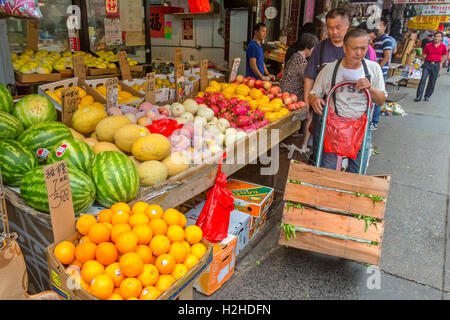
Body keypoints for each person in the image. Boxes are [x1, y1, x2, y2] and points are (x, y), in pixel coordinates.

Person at [308, 28, 387, 174]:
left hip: (361, 128)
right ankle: (328, 194)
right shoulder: (330, 69)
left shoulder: (373, 69)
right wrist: (314, 100)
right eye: (354, 48)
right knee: (327, 170)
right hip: (333, 128)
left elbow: (381, 100)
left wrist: (370, 88)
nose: (359, 53)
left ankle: (349, 196)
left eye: (363, 48)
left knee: (357, 173)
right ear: (344, 48)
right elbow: (313, 93)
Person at [304, 8, 350, 163]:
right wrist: (307, 102)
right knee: (320, 146)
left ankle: (335, 178)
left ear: (347, 25)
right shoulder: (320, 48)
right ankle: (318, 174)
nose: (334, 32)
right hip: (322, 108)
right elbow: (310, 76)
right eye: (330, 28)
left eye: (338, 27)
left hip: (347, 111)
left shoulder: (355, 49)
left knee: (343, 149)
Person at [280, 33, 319, 153]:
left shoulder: (295, 56)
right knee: (310, 112)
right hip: (293, 95)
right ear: (308, 47)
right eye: (314, 49)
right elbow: (309, 80)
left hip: (287, 92)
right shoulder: (301, 62)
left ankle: (295, 137)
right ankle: (304, 145)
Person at [371, 17, 392, 130]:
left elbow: (387, 56)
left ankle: (374, 122)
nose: (377, 27)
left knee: (378, 95)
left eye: (379, 25)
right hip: (375, 71)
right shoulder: (376, 40)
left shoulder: (386, 39)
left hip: (380, 72)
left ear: (384, 27)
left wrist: (378, 69)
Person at [415, 31, 447, 102]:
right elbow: (423, 54)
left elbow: (444, 55)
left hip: (436, 65)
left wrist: (441, 63)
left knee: (432, 81)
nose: (436, 38)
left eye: (438, 36)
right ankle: (419, 96)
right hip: (427, 64)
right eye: (435, 36)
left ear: (441, 38)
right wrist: (425, 61)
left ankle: (427, 96)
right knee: (423, 80)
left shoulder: (443, 46)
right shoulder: (428, 45)